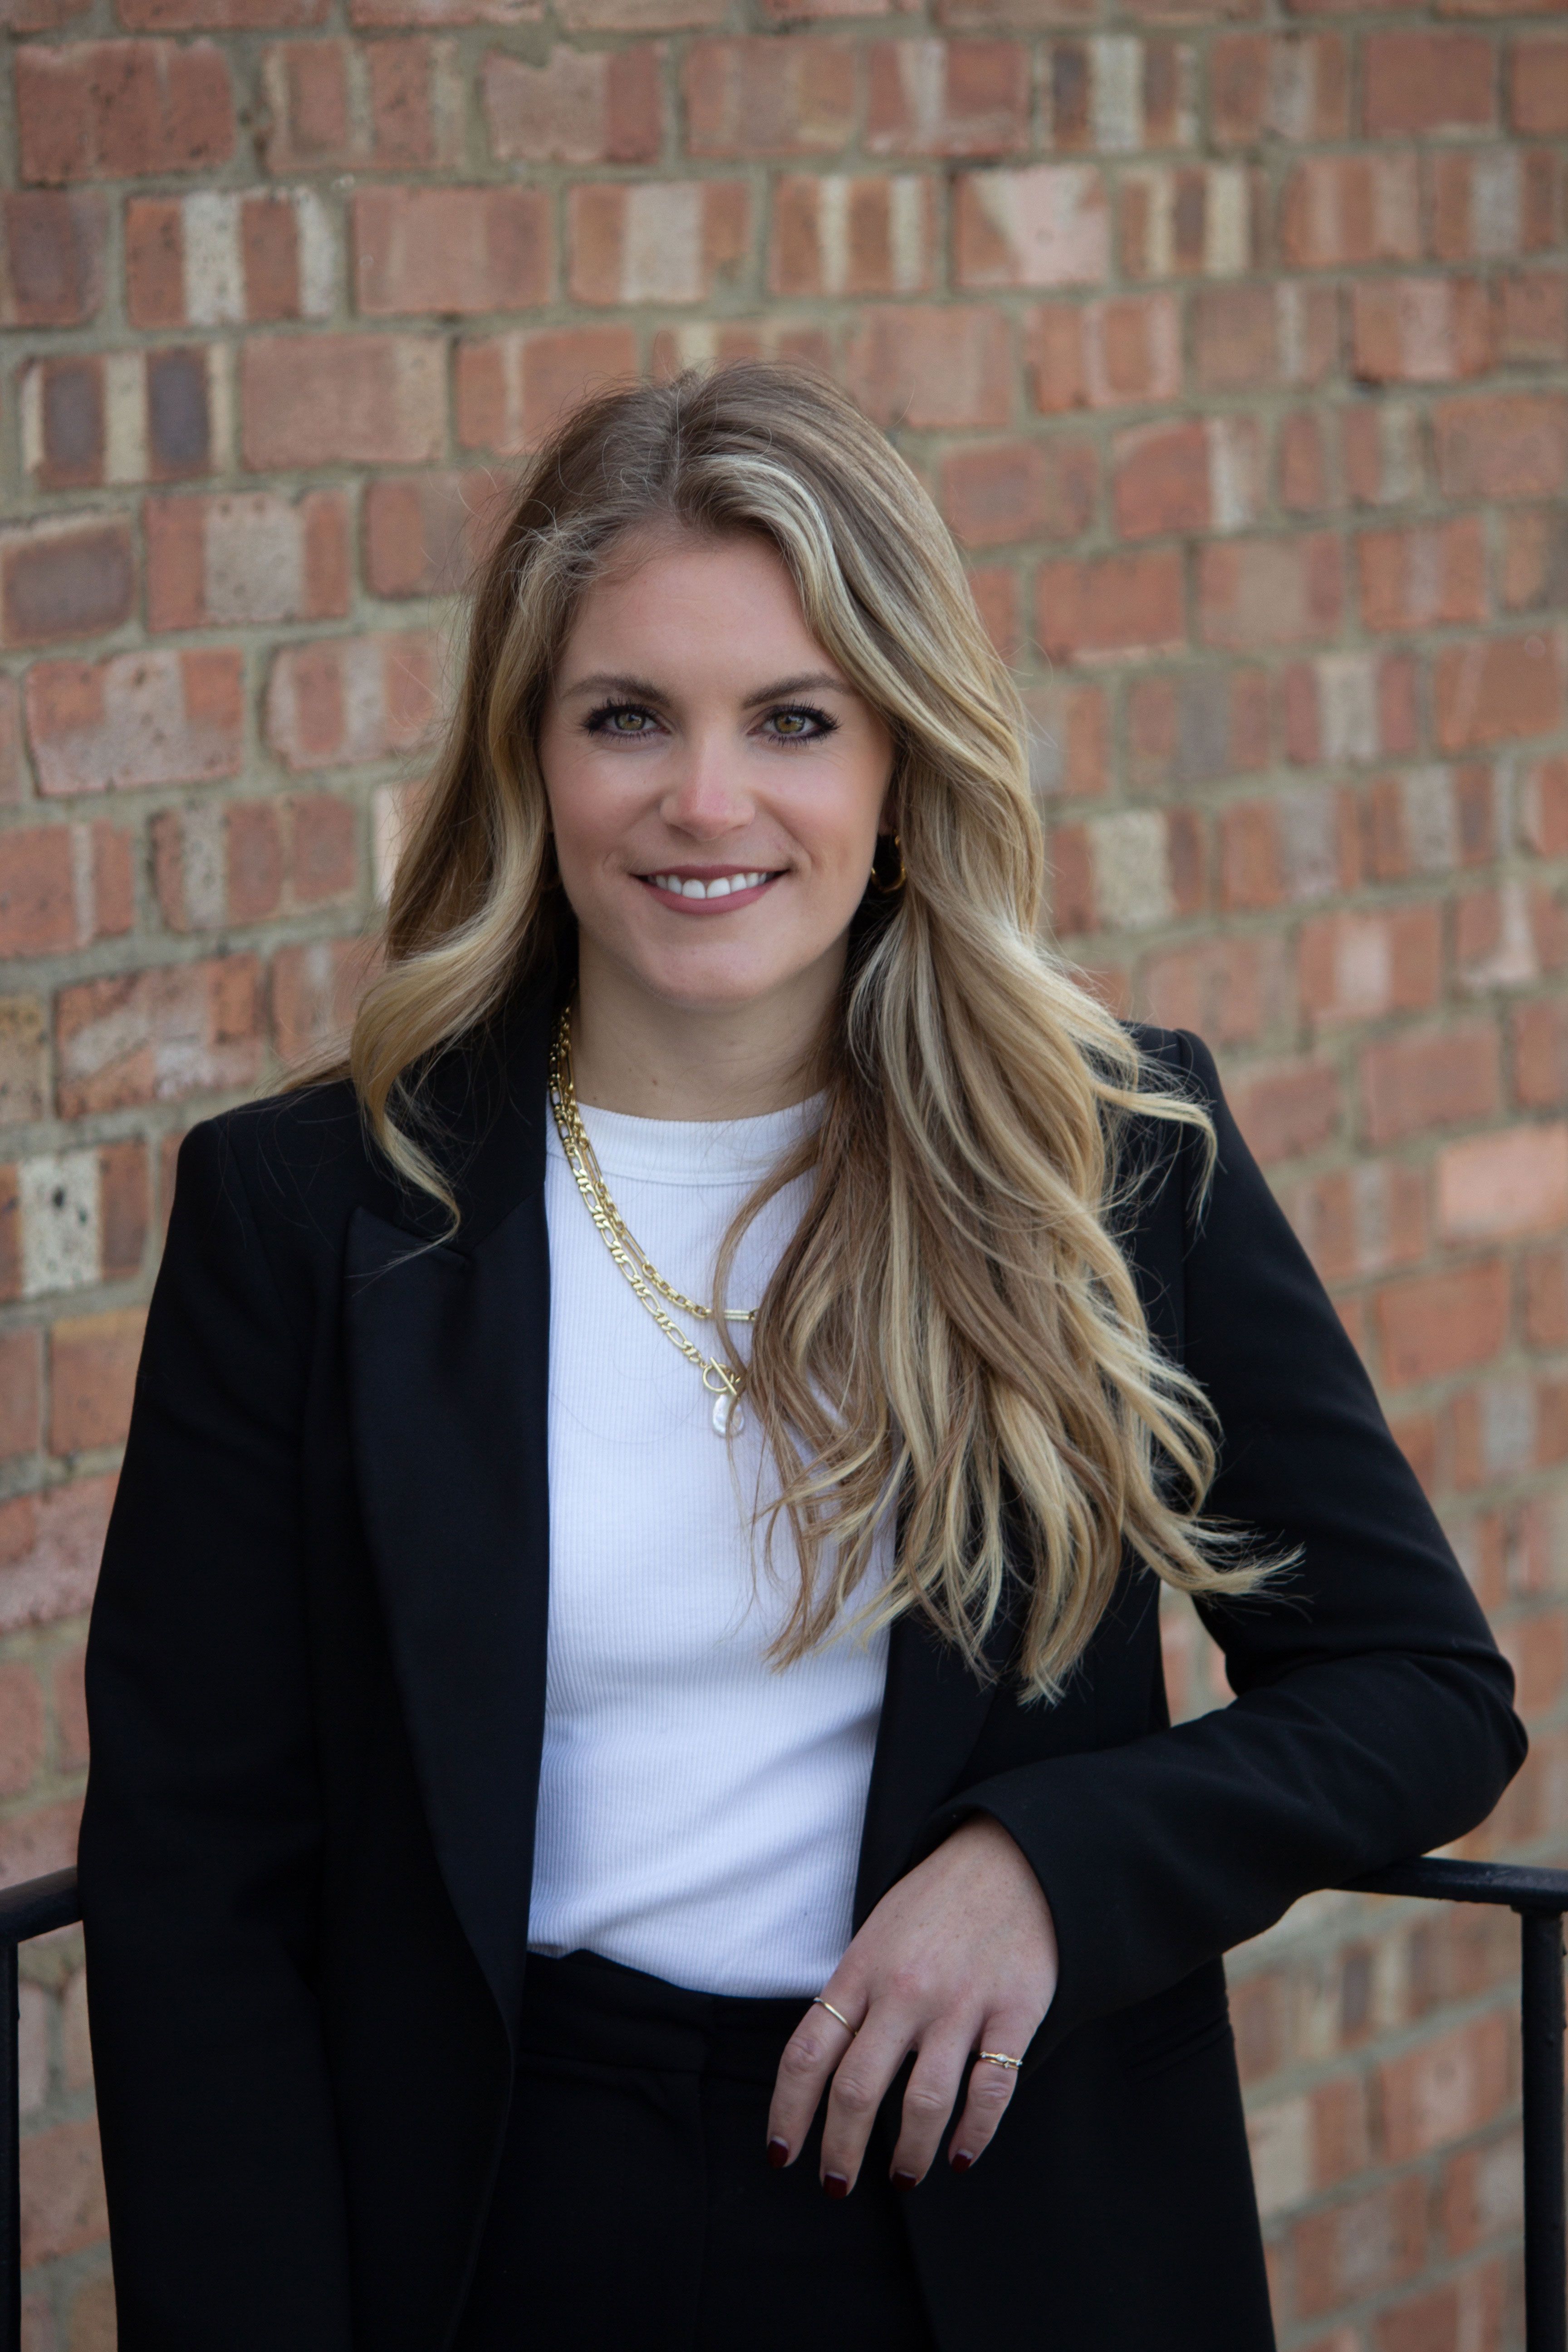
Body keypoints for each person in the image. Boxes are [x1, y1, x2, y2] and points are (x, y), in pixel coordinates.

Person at [79, 363, 1524, 2352]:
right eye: (626, 720)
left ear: (899, 762)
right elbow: (199, 1881)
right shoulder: (315, 1210)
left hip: (1001, 2221)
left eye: (792, 720)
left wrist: (1050, 1863)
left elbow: (1422, 1689)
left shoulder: (1106, 1157)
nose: (705, 799)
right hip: (502, 2221)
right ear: (531, 760)